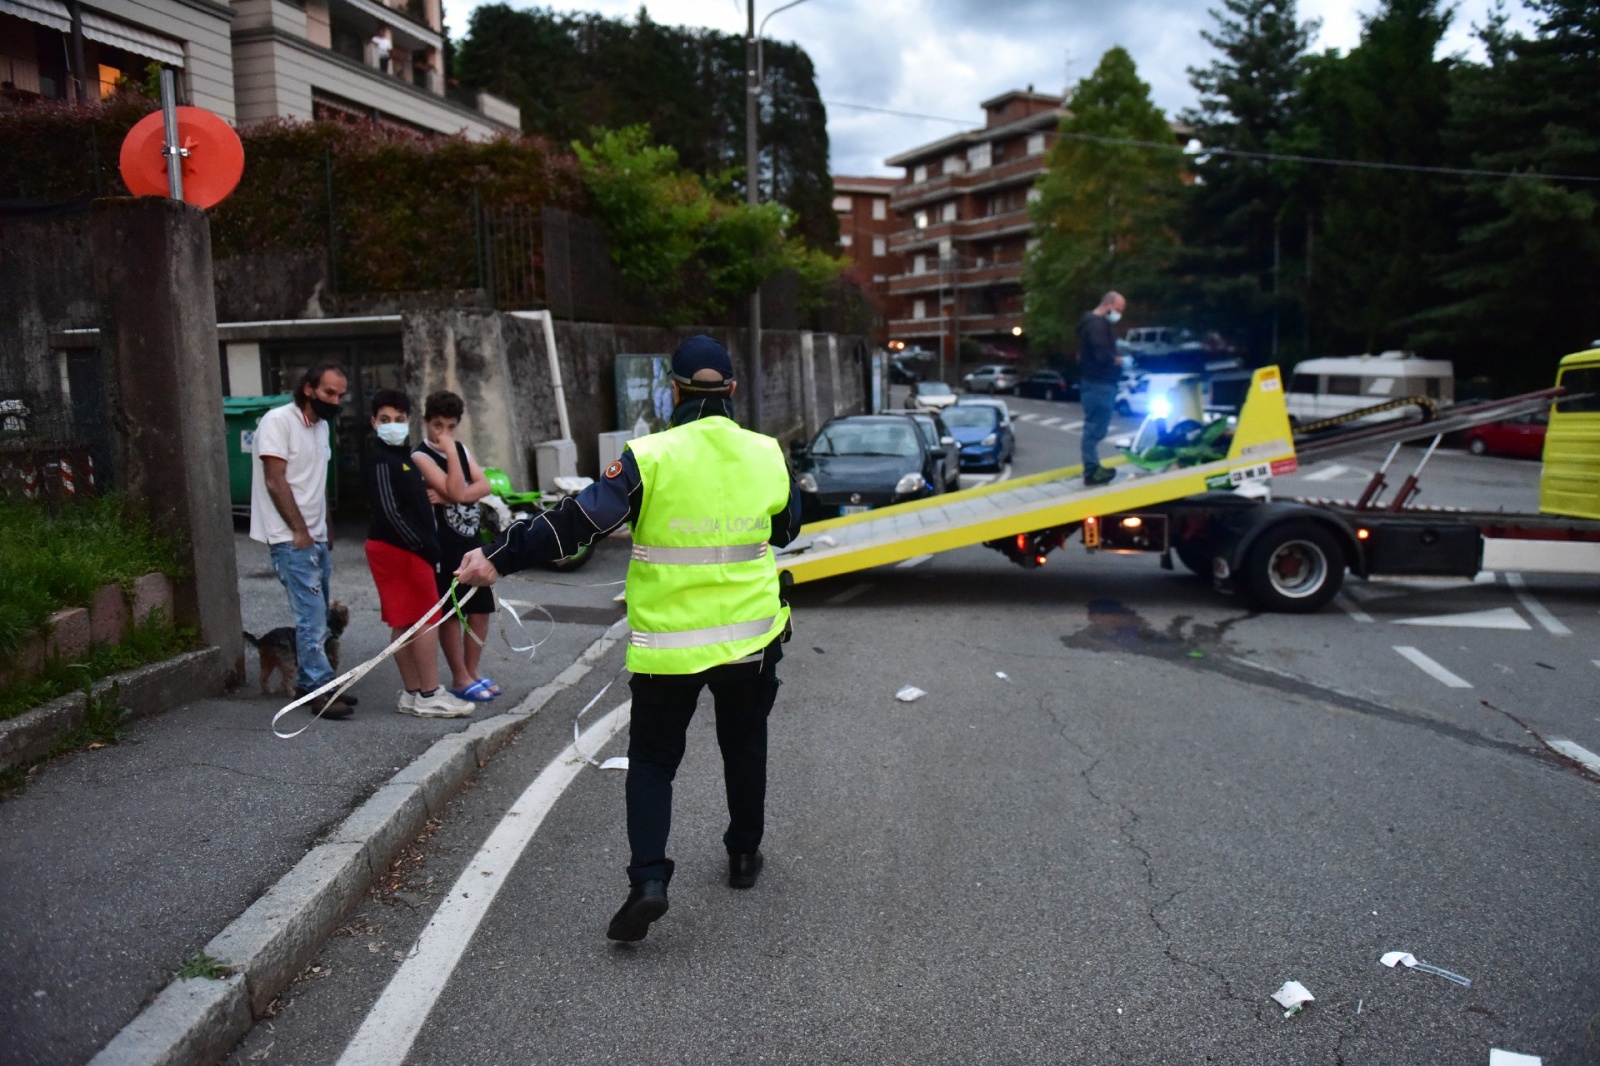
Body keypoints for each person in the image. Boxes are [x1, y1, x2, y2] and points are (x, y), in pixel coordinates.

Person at [454, 334, 800, 943]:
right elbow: (788, 528)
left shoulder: (649, 456)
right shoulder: (766, 452)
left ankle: (648, 882)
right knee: (744, 746)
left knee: (653, 765)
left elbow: (577, 524)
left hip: (670, 648)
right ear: (733, 390)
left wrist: (497, 558)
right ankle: (744, 857)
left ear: (674, 389)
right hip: (751, 639)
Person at [250, 362, 355, 719]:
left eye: (340, 395)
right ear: (309, 388)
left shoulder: (321, 427)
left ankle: (319, 681)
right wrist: (299, 531)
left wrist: (325, 529)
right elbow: (275, 480)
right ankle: (319, 691)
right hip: (290, 540)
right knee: (310, 617)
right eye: (329, 392)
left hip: (315, 538)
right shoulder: (278, 421)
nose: (335, 400)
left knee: (320, 618)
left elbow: (316, 482)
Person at [363, 389, 476, 720]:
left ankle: (413, 693)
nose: (393, 425)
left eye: (398, 419)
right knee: (427, 619)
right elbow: (390, 512)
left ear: (409, 421)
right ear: (374, 423)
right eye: (385, 420)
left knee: (406, 620)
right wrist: (425, 546)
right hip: (401, 551)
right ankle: (429, 691)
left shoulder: (401, 458)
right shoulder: (382, 461)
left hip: (399, 549)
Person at [411, 390, 499, 704]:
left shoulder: (460, 448)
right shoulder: (421, 455)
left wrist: (453, 494)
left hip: (471, 541)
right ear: (425, 423)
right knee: (451, 611)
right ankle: (459, 675)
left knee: (480, 610)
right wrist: (450, 460)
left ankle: (473, 670)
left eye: (450, 427)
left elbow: (483, 486)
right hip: (444, 544)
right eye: (437, 426)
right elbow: (460, 489)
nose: (444, 434)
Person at [1077, 290, 1126, 486]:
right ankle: (1091, 470)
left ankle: (1093, 467)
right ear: (1109, 305)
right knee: (1095, 428)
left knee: (1095, 427)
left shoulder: (1093, 324)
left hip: (1096, 383)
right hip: (1099, 384)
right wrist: (1119, 360)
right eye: (1119, 310)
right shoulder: (1096, 325)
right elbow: (1102, 354)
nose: (1119, 315)